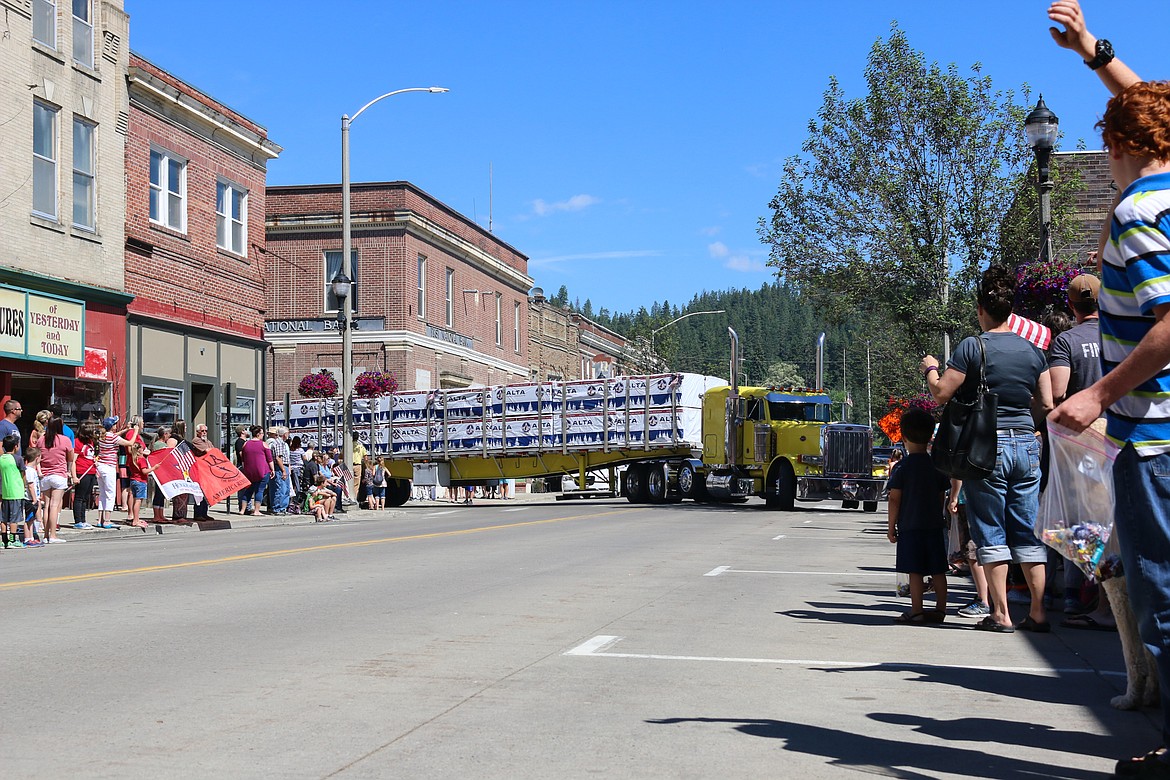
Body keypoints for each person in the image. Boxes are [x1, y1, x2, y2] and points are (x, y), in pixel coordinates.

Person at [1047, 15, 1170, 778]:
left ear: (1119, 145)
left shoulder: (1137, 215)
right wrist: (1095, 52)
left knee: (1161, 590)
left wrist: (1098, 395)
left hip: (1155, 436)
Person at [921, 265, 1053, 633]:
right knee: (1027, 530)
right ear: (1009, 310)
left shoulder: (972, 346)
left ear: (981, 309)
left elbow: (941, 392)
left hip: (986, 449)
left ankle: (1001, 614)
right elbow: (1046, 401)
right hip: (1027, 445)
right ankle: (1039, 612)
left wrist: (931, 369)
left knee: (991, 530)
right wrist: (1024, 425)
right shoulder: (1033, 351)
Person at [886, 408, 950, 624]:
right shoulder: (936, 465)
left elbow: (895, 498)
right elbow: (941, 494)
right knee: (938, 570)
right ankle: (941, 610)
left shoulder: (902, 467)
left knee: (915, 571)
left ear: (903, 438)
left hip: (910, 526)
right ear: (931, 435)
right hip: (933, 525)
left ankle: (917, 610)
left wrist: (891, 526)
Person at [38, 416, 77, 544]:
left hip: (45, 475)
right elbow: (70, 458)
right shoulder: (64, 440)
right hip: (59, 474)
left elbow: (37, 457)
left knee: (47, 506)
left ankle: (45, 535)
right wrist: (68, 470)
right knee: (55, 505)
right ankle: (53, 535)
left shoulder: (41, 440)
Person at [96, 416, 138, 527]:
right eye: (115, 424)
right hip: (109, 467)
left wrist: (126, 430)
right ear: (112, 426)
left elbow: (115, 435)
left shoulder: (102, 436)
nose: (116, 425)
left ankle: (100, 519)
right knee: (110, 494)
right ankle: (107, 520)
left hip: (100, 466)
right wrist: (135, 432)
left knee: (102, 494)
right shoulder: (113, 438)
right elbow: (130, 443)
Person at [71, 421, 103, 528]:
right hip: (81, 472)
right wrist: (74, 476)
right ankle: (78, 520)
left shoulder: (91, 442)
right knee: (79, 497)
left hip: (91, 471)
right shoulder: (77, 442)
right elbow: (73, 461)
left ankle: (83, 520)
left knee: (86, 497)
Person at [238, 424, 273, 516]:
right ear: (258, 434)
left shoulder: (246, 444)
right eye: (262, 433)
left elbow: (243, 458)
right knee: (259, 490)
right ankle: (257, 510)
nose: (263, 435)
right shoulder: (263, 444)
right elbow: (269, 459)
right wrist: (272, 469)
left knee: (248, 490)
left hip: (249, 471)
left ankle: (242, 510)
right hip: (262, 470)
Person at [124, 439, 157, 528]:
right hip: (140, 481)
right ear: (139, 450)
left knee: (135, 499)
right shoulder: (141, 459)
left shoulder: (132, 459)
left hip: (133, 480)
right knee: (138, 501)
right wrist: (154, 468)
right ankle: (135, 520)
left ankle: (136, 518)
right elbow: (144, 471)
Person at [0, 434, 26, 548]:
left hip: (5, 492)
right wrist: (24, 486)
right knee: (14, 518)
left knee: (4, 518)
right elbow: (23, 474)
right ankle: (13, 540)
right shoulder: (18, 459)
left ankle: (4, 540)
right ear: (16, 446)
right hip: (16, 491)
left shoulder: (1, 459)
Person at [265, 427, 290, 515]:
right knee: (281, 488)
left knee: (282, 488)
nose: (288, 434)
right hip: (280, 467)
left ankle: (280, 507)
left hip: (281, 466)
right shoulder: (279, 443)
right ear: (285, 434)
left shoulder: (280, 443)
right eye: (288, 433)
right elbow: (278, 458)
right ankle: (278, 508)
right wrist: (283, 470)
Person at [23, 446, 44, 547]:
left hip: (33, 498)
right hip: (30, 499)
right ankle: (27, 538)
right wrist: (35, 499)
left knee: (31, 519)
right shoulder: (29, 471)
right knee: (29, 519)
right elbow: (31, 486)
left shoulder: (31, 470)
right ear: (37, 458)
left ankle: (31, 537)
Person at [0, 400, 24, 473]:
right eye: (19, 409)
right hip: (8, 466)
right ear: (13, 411)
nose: (21, 410)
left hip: (15, 465)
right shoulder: (3, 425)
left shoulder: (13, 425)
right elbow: (0, 447)